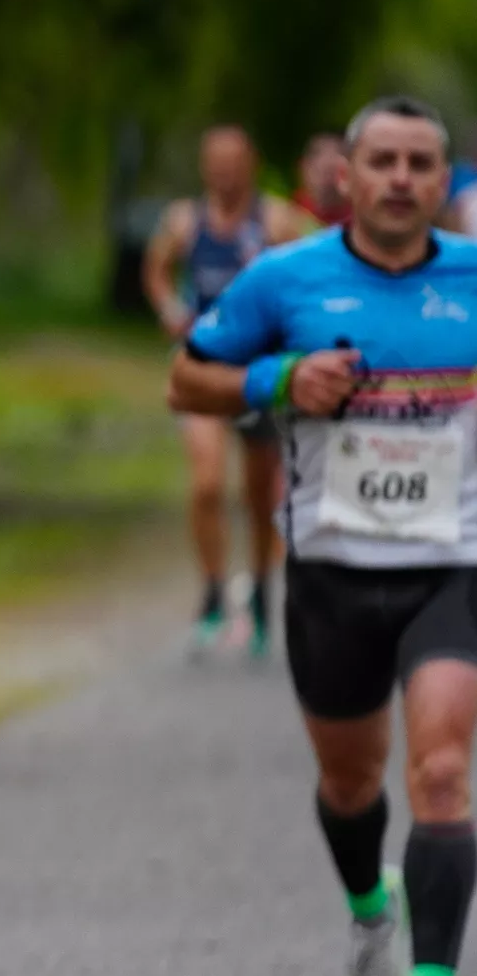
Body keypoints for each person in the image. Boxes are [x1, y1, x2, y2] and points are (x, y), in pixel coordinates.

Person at [171, 95, 477, 976]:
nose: (398, 178)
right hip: (333, 572)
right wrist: (278, 380)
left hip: (452, 564)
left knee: (440, 771)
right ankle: (368, 911)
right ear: (342, 176)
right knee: (352, 784)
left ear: (443, 180)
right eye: (380, 160)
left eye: (419, 163)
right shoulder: (283, 279)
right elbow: (187, 379)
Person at [144, 125, 315, 656]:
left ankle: (262, 592)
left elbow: (313, 275)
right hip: (203, 370)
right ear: (203, 166)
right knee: (207, 485)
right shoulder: (184, 221)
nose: (223, 171)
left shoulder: (278, 220)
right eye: (214, 161)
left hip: (258, 375)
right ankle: (214, 592)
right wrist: (171, 309)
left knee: (261, 495)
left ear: (252, 164)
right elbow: (156, 269)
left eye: (233, 161)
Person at [298, 132, 353, 229]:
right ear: (303, 167)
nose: (328, 182)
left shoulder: (361, 219)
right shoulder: (285, 217)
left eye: (333, 171)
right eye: (321, 171)